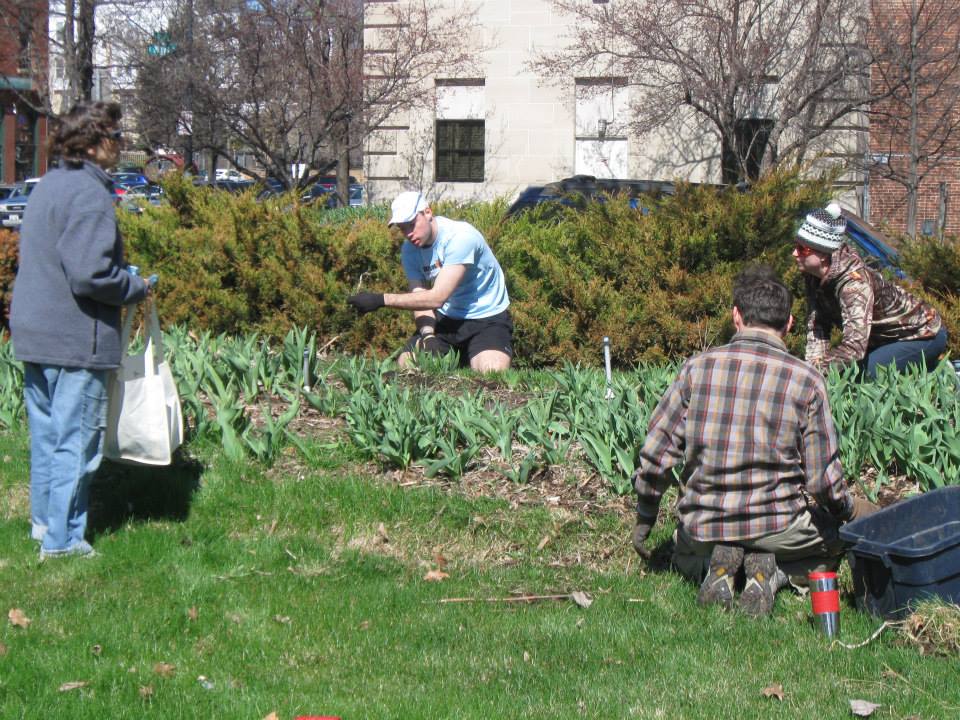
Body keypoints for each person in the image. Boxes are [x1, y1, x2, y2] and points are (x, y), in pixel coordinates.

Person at [631, 266, 875, 616]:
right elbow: (822, 481)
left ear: (736, 316)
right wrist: (845, 513)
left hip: (706, 525)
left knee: (680, 550)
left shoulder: (696, 369)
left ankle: (710, 568)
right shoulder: (806, 381)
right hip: (778, 526)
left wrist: (645, 518)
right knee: (834, 546)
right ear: (789, 324)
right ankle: (774, 573)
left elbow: (656, 456)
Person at [9, 101, 151, 559]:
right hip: (76, 338)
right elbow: (90, 276)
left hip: (35, 333)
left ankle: (44, 526)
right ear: (94, 143)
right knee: (76, 443)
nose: (120, 145)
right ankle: (64, 541)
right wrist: (134, 285)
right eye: (115, 137)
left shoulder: (48, 186)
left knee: (48, 438)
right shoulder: (90, 194)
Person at [347, 191, 513, 372]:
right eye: (402, 228)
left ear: (427, 213)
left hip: (486, 317)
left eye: (411, 224)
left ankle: (473, 353)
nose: (408, 233)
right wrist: (428, 336)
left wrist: (380, 300)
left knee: (492, 370)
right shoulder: (410, 250)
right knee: (406, 364)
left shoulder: (460, 237)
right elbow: (420, 295)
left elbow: (436, 298)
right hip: (446, 317)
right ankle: (458, 354)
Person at [794, 203, 946, 378]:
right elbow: (817, 326)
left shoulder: (854, 284)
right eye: (796, 246)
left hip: (921, 335)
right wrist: (811, 370)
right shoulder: (813, 277)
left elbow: (854, 348)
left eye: (802, 249)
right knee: (843, 374)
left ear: (823, 254)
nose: (794, 254)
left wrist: (816, 373)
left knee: (864, 375)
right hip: (880, 340)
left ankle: (935, 373)